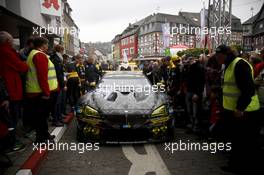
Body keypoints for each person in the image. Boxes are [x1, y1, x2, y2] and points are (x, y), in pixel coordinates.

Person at [215, 45, 261, 173]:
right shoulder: (228, 65)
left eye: (218, 56)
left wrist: (240, 108)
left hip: (246, 111)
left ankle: (245, 167)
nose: (217, 59)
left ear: (225, 54)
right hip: (233, 111)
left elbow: (249, 89)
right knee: (235, 141)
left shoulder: (239, 64)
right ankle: (234, 165)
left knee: (245, 143)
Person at [0, 31, 29, 152]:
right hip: (11, 89)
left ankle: (10, 142)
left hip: (9, 88)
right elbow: (22, 67)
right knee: (12, 117)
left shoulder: (5, 51)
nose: (13, 42)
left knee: (11, 117)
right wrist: (26, 63)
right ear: (8, 41)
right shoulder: (6, 52)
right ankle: (11, 144)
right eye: (12, 40)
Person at [25, 37, 58, 143]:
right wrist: (46, 92)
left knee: (42, 116)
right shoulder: (39, 55)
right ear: (42, 45)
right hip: (39, 92)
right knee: (41, 117)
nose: (48, 46)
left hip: (36, 91)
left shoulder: (34, 53)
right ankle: (41, 138)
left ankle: (45, 135)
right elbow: (42, 75)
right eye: (47, 44)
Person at [184, 57, 205, 134]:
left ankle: (196, 127)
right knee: (190, 111)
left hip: (195, 92)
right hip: (189, 91)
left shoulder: (199, 67)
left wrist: (197, 93)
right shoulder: (190, 68)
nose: (188, 63)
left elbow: (201, 81)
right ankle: (192, 126)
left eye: (189, 62)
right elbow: (188, 79)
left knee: (196, 111)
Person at [49, 44, 66, 127]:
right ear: (60, 50)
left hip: (57, 83)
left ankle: (59, 118)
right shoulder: (56, 59)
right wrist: (63, 84)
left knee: (59, 102)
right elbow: (58, 73)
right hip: (56, 84)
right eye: (63, 50)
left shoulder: (57, 58)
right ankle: (56, 120)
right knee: (56, 103)